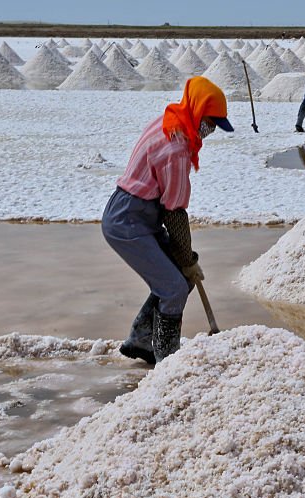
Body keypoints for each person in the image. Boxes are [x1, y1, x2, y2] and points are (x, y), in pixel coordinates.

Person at [103, 76, 234, 366]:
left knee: (178, 278)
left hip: (142, 213)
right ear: (198, 111)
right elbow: (174, 212)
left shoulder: (172, 119)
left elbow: (167, 209)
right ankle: (167, 360)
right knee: (174, 287)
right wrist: (187, 258)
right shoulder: (176, 147)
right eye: (210, 122)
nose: (211, 130)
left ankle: (140, 339)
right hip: (128, 220)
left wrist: (185, 260)